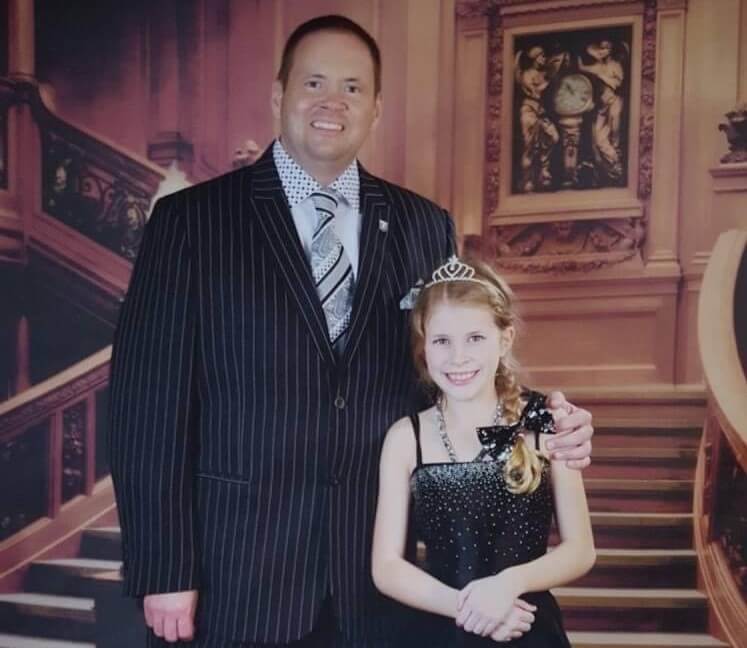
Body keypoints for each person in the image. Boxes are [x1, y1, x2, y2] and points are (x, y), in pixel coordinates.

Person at [109, 15, 594, 648]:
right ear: (279, 95)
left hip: (380, 586)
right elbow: (146, 408)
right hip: (233, 576)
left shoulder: (425, 225)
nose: (332, 102)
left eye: (352, 87)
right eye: (314, 83)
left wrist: (543, 423)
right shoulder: (190, 223)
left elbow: (452, 387)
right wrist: (164, 567)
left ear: (376, 109)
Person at [371, 256, 595, 646]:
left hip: (526, 627)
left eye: (475, 338)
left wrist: (509, 584)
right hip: (442, 623)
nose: (458, 357)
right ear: (424, 347)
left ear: (504, 338)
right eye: (442, 341)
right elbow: (387, 566)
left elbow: (580, 549)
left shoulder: (545, 421)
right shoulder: (407, 437)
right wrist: (469, 608)